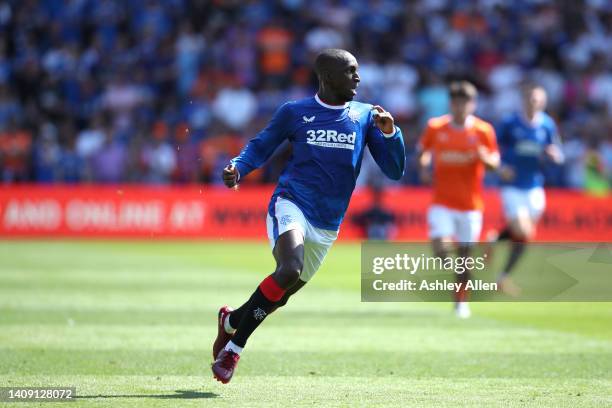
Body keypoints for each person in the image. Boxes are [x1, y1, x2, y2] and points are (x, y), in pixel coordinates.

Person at [211, 49, 406, 383]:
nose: (358, 77)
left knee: (280, 296)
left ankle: (230, 322)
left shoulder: (364, 115)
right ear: (328, 77)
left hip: (328, 223)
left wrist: (390, 134)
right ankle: (234, 351)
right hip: (291, 203)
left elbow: (395, 169)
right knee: (289, 269)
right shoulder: (295, 111)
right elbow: (261, 145)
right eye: (351, 71)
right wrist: (238, 168)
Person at [417, 81, 499, 318]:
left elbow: (495, 163)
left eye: (465, 102)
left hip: (470, 206)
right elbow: (424, 152)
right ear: (451, 104)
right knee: (441, 250)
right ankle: (483, 253)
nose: (460, 107)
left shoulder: (483, 131)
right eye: (456, 102)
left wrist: (485, 159)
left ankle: (461, 302)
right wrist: (423, 167)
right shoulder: (435, 127)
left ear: (472, 104)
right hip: (442, 202)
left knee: (464, 259)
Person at [492, 84, 564, 295]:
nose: (535, 103)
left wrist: (554, 155)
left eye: (539, 100)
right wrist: (501, 167)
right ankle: (494, 245)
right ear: (524, 100)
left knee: (524, 236)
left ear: (544, 102)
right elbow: (492, 148)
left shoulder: (547, 125)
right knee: (523, 230)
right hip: (512, 186)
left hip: (534, 186)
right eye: (532, 99)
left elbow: (558, 152)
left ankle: (501, 274)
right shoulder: (509, 123)